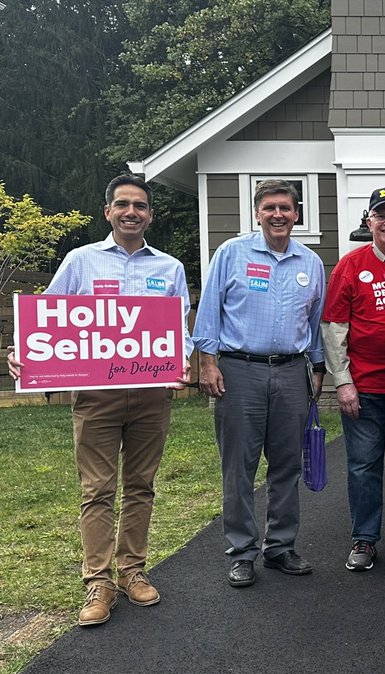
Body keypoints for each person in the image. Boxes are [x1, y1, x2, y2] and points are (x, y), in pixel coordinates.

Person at [7, 174, 190, 626]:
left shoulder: (170, 268)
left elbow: (181, 330)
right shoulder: (80, 260)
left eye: (140, 205)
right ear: (107, 210)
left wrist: (182, 360)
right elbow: (47, 317)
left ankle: (132, 571)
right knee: (97, 490)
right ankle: (98, 581)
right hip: (96, 397)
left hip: (152, 394)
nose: (132, 212)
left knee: (141, 485)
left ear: (150, 214)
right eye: (123, 204)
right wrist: (23, 354)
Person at [195, 179, 326, 588]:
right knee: (239, 467)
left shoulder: (311, 262)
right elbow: (209, 311)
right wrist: (207, 363)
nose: (278, 214)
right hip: (238, 371)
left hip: (291, 372)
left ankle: (280, 547)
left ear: (297, 214)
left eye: (285, 208)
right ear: (257, 213)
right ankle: (242, 551)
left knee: (286, 465)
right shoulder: (232, 253)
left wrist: (318, 367)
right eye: (269, 207)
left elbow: (317, 322)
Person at [321, 187, 385, 572]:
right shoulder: (351, 265)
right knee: (363, 465)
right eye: (381, 215)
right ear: (369, 221)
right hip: (366, 387)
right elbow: (333, 326)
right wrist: (342, 381)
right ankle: (365, 538)